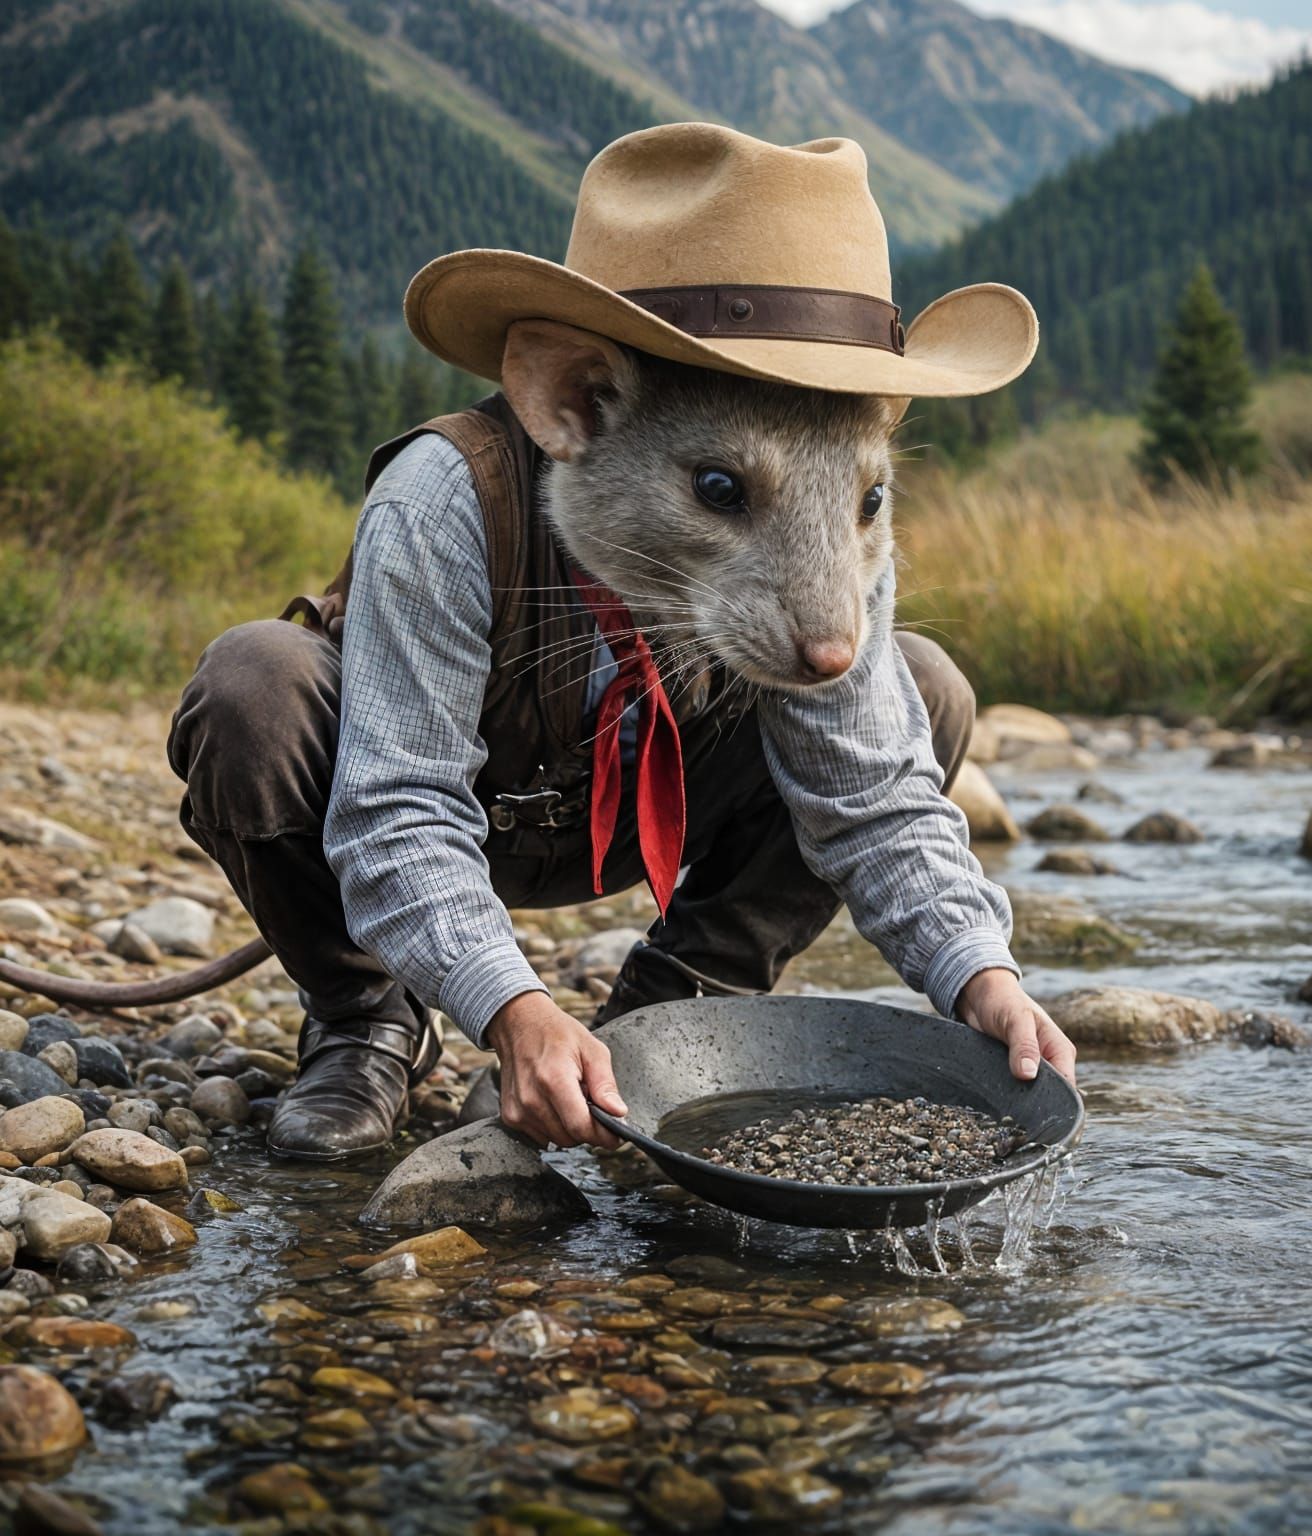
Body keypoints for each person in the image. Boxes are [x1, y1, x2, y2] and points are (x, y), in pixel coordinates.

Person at [168, 121, 1076, 1163]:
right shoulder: (445, 500)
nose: (830, 635)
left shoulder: (837, 555)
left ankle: (664, 1021)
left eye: (867, 499)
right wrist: (512, 1009)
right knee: (255, 686)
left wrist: (984, 976)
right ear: (578, 401)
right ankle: (364, 1016)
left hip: (657, 806)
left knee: (925, 687)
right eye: (723, 491)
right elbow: (397, 808)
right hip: (437, 803)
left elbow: (870, 799)